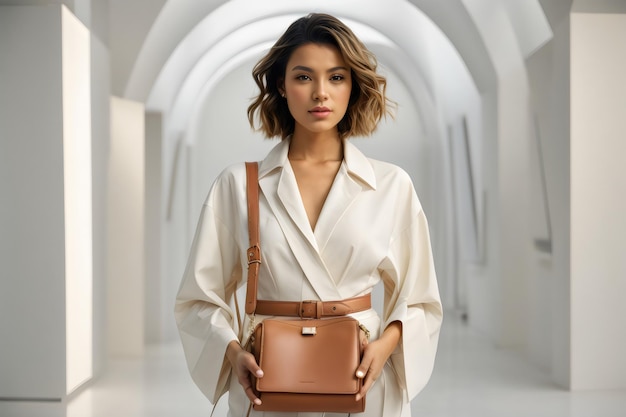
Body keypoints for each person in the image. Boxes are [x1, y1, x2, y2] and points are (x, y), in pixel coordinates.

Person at [174, 13, 442, 417]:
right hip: (266, 381)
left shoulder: (391, 185)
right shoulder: (236, 185)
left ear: (353, 86)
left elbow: (420, 298)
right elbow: (198, 298)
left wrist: (385, 346)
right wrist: (232, 354)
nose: (321, 93)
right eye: (303, 77)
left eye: (336, 77)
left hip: (363, 380)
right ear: (281, 85)